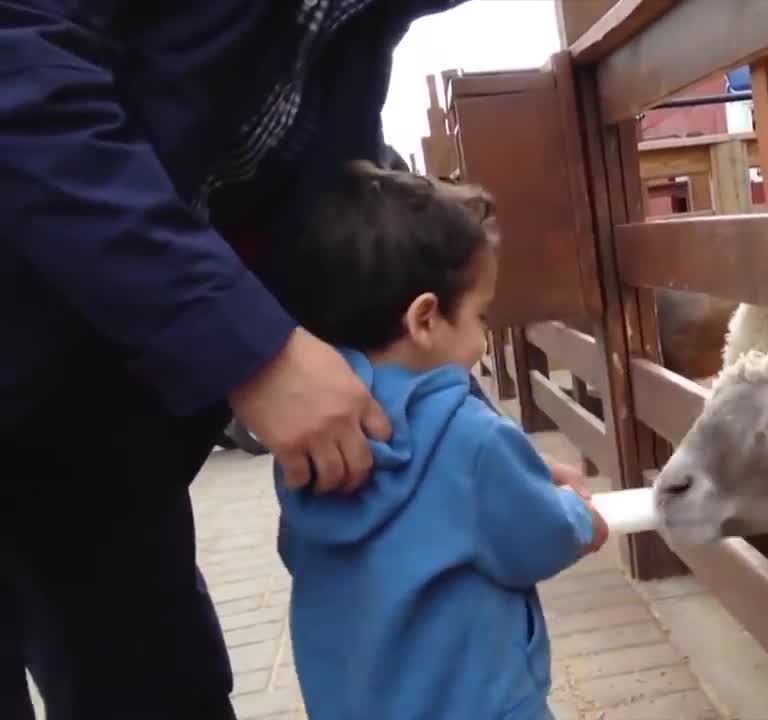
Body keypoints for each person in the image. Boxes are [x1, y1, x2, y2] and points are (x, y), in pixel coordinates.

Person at [0, 1, 588, 717]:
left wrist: (463, 434)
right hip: (62, 334)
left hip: (103, 412)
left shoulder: (350, 29)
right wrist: (250, 349)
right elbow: (21, 70)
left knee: (153, 683)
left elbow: (350, 262)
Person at [272, 160, 610, 720]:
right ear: (425, 319)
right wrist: (577, 515)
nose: (483, 338)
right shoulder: (468, 434)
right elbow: (536, 536)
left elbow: (296, 550)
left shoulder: (316, 436)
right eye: (481, 315)